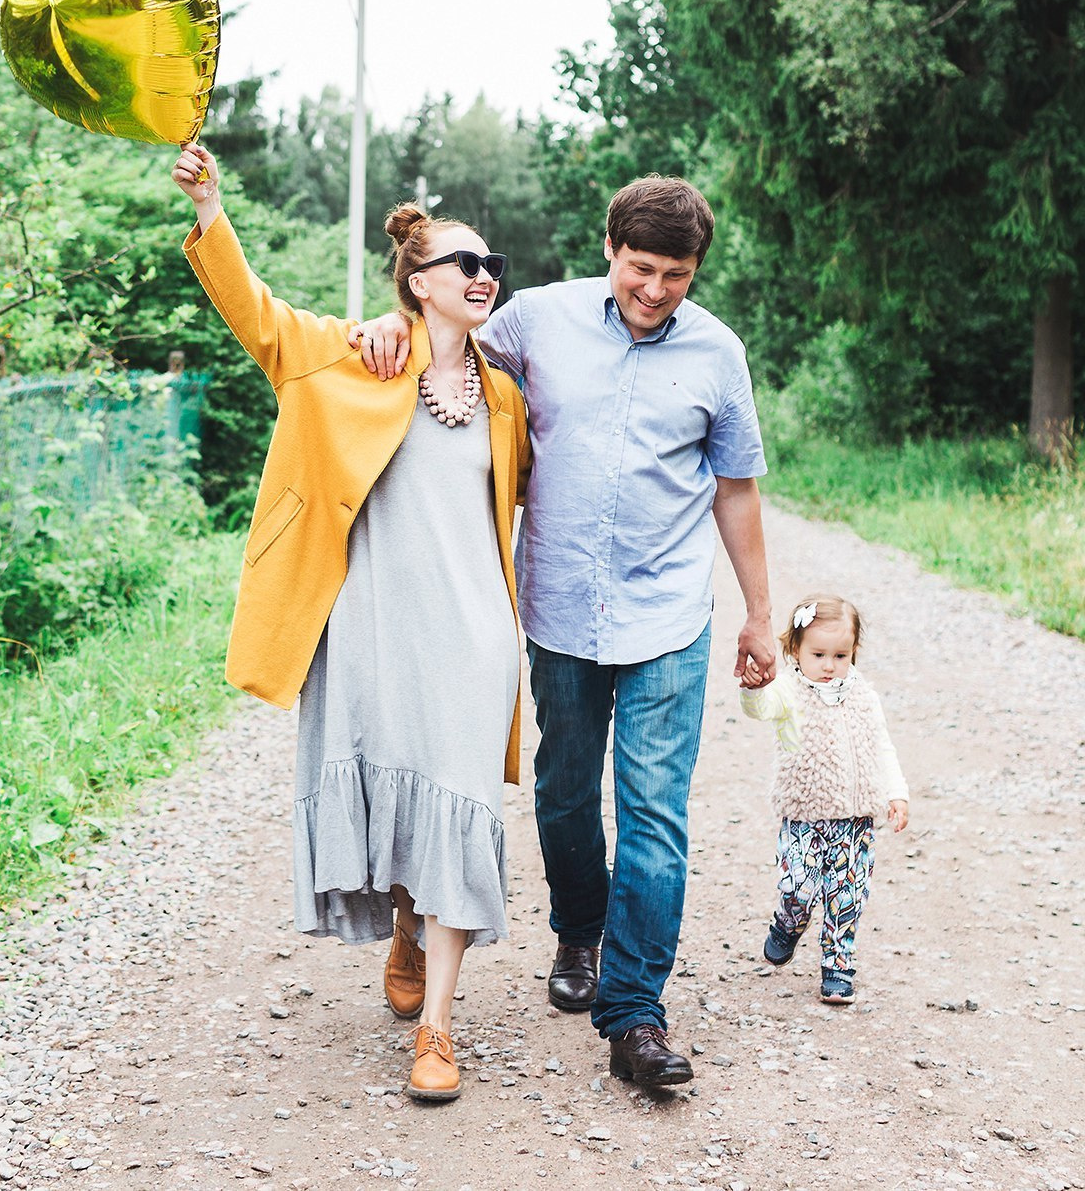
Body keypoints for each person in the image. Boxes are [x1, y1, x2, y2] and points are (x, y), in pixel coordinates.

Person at [352, 176, 775, 1087]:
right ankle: (577, 931)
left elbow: (736, 488)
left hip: (668, 617)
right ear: (609, 251)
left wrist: (761, 614)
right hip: (556, 614)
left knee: (655, 814)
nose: (655, 290)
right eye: (640, 268)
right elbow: (449, 345)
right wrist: (389, 326)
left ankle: (634, 1014)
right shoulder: (539, 321)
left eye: (677, 274)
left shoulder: (717, 355)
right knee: (566, 793)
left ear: (697, 270)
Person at [171, 141, 532, 1105]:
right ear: (419, 282)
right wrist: (211, 210)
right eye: (465, 263)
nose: (485, 274)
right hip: (374, 630)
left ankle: (442, 1029)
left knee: (460, 801)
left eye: (492, 263)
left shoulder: (505, 397)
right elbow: (258, 318)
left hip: (475, 638)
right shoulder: (350, 355)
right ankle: (408, 921)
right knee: (403, 789)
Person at [737, 592, 909, 1004]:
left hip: (856, 821)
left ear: (853, 653)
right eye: (818, 654)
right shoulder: (788, 692)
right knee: (800, 886)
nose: (829, 666)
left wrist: (896, 793)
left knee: (847, 897)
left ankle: (838, 967)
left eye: (840, 655)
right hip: (805, 816)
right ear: (795, 651)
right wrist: (753, 687)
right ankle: (788, 921)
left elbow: (881, 745)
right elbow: (759, 708)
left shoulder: (865, 697)